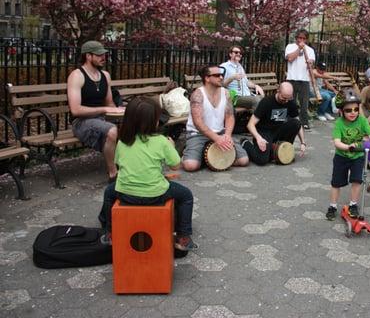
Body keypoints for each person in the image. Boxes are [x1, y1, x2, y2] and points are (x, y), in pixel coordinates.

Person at [99, 96, 197, 251]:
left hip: (125, 193)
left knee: (109, 192)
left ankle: (110, 232)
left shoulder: (123, 141)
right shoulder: (162, 141)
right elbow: (176, 166)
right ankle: (183, 237)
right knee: (186, 195)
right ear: (153, 121)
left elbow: (119, 163)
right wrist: (171, 146)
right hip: (155, 194)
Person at [67, 40, 124, 182]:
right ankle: (113, 174)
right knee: (112, 131)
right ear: (88, 56)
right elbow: (75, 110)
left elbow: (110, 104)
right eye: (99, 55)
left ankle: (133, 165)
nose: (103, 58)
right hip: (82, 122)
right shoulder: (77, 76)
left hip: (102, 120)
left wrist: (121, 112)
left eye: (104, 54)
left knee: (134, 122)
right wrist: (105, 109)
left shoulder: (105, 75)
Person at [182, 65, 249, 171]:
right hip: (198, 134)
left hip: (221, 132)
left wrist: (227, 135)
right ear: (207, 78)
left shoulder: (225, 93)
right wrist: (216, 139)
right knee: (190, 166)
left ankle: (207, 155)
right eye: (217, 75)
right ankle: (196, 153)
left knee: (243, 160)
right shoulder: (198, 95)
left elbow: (230, 116)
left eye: (222, 75)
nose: (221, 77)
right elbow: (198, 122)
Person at [326, 90, 370, 221]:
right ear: (342, 111)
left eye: (356, 109)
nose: (353, 112)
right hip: (341, 157)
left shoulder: (362, 120)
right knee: (336, 183)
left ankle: (353, 204)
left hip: (358, 157)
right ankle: (332, 206)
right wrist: (347, 147)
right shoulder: (339, 123)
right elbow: (337, 142)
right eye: (348, 110)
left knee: (357, 180)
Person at [241, 82, 307, 165]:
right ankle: (245, 143)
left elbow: (298, 123)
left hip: (278, 130)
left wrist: (303, 143)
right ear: (278, 91)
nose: (286, 101)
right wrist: (258, 138)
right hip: (264, 132)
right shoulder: (266, 102)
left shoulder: (290, 101)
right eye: (284, 98)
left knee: (296, 123)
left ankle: (283, 148)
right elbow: (250, 124)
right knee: (262, 160)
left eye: (288, 98)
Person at [285, 29, 315, 131]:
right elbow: (290, 58)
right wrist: (299, 49)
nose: (301, 40)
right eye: (299, 38)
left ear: (306, 39)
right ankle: (289, 121)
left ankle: (304, 122)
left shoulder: (310, 50)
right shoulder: (290, 47)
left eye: (303, 38)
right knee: (290, 102)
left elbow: (310, 66)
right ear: (296, 38)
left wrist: (310, 63)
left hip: (304, 80)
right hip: (291, 78)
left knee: (304, 103)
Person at [220, 45, 264, 111]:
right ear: (230, 54)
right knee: (257, 100)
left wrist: (256, 86)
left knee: (265, 100)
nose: (239, 54)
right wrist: (232, 78)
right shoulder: (224, 66)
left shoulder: (240, 66)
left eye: (240, 53)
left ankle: (258, 118)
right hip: (235, 97)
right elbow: (220, 85)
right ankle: (256, 120)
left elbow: (246, 82)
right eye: (236, 52)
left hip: (247, 95)